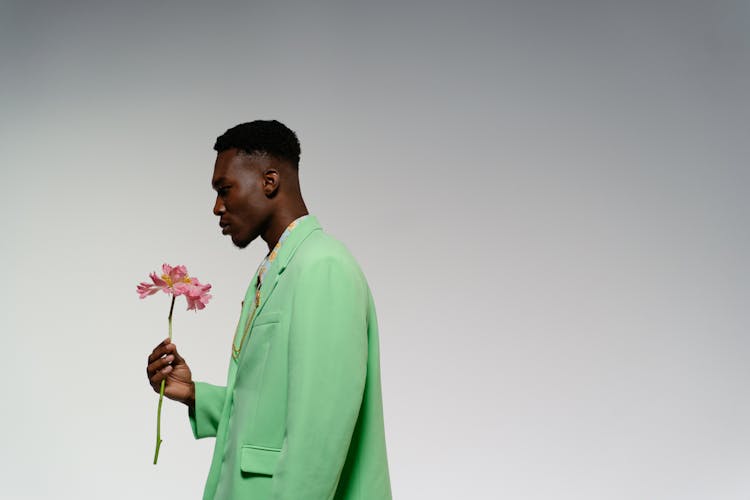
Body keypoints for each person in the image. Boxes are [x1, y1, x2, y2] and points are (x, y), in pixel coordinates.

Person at [146, 120, 392, 499]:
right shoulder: (280, 268)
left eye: (224, 189)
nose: (217, 207)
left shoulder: (323, 268)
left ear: (269, 181)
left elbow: (318, 438)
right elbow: (268, 409)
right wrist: (195, 394)